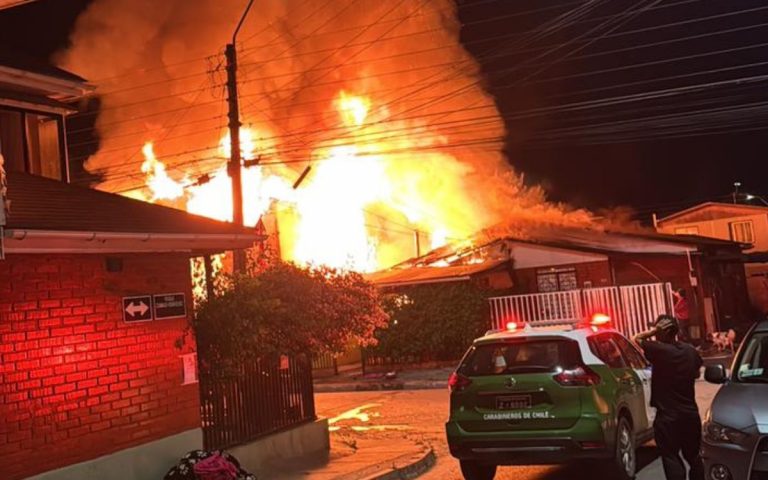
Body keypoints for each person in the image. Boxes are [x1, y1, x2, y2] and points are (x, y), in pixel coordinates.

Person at [633, 315, 704, 480]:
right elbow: (696, 372)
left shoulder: (659, 351)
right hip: (690, 415)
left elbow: (636, 338)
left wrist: (652, 331)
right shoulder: (690, 351)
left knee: (670, 455)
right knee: (694, 456)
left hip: (668, 417)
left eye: (658, 330)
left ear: (662, 332)